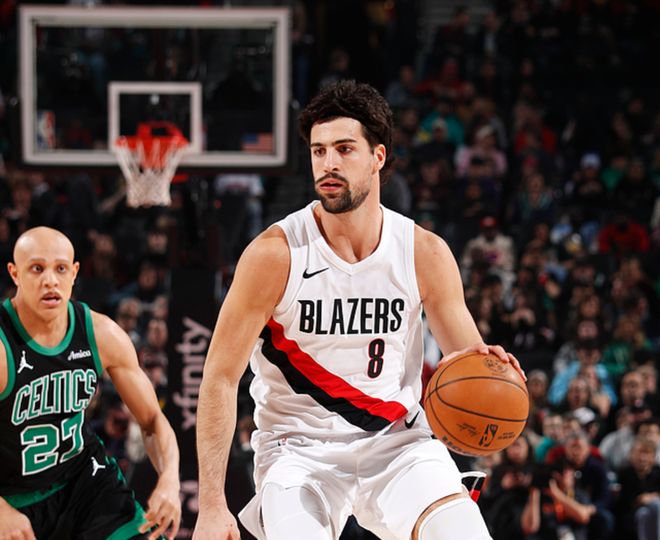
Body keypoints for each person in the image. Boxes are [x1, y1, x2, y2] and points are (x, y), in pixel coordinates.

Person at [193, 80, 525, 540]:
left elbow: (466, 361)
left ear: (378, 157)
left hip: (398, 444)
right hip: (297, 451)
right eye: (319, 151)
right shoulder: (275, 255)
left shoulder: (422, 252)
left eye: (344, 149)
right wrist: (212, 504)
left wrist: (492, 371)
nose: (328, 163)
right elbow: (220, 377)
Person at [0, 227, 181, 539]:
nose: (50, 281)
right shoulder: (3, 349)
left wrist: (169, 480)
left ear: (74, 273)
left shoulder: (101, 333)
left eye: (60, 269)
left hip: (87, 483)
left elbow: (152, 420)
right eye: (37, 268)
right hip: (13, 497)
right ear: (15, 274)